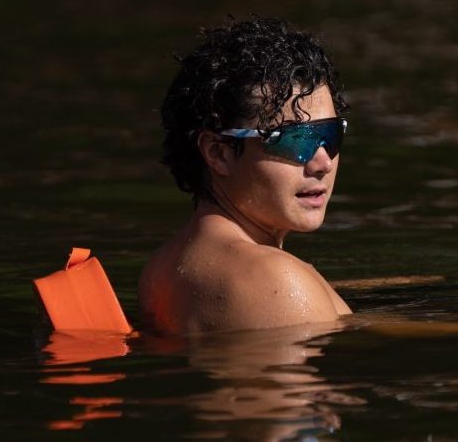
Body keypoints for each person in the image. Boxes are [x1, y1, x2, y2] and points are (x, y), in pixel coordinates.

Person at [139, 18, 352, 335]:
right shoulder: (274, 281)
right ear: (219, 153)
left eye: (330, 135)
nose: (323, 162)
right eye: (295, 139)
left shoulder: (163, 267)